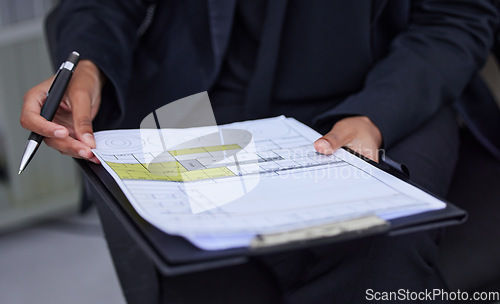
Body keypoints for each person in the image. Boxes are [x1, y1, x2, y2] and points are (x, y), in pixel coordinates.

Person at [20, 0, 499, 303]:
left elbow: (456, 17)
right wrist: (88, 66)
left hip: (387, 91)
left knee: (382, 242)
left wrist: (376, 115)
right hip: (208, 88)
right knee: (196, 250)